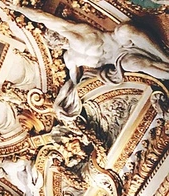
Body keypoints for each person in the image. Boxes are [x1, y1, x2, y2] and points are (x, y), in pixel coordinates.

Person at [10, 2, 169, 118]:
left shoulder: (75, 33)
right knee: (136, 64)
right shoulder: (70, 59)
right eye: (53, 40)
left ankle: (165, 57)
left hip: (119, 41)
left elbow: (44, 18)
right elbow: (74, 82)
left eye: (54, 35)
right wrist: (60, 102)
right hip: (119, 60)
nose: (56, 39)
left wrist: (19, 9)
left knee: (126, 30)